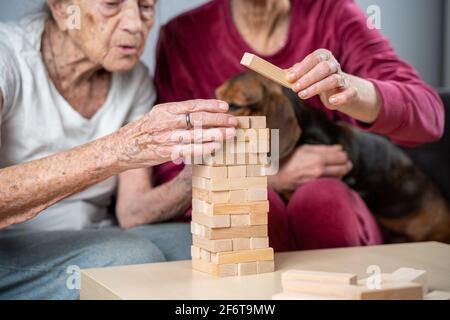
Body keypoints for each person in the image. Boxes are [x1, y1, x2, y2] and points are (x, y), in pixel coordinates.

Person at [151, 0, 445, 251]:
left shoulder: (335, 14)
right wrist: (271, 177)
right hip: (243, 210)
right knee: (253, 205)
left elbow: (430, 117)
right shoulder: (181, 35)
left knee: (321, 198)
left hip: (348, 208)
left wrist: (349, 89)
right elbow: (171, 171)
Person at [0, 0, 237, 299]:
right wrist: (122, 148)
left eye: (146, 7)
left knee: (199, 246)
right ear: (62, 8)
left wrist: (197, 175)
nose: (135, 24)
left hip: (92, 234)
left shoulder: (134, 79)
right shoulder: (6, 56)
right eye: (112, 4)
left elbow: (132, 211)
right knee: (128, 260)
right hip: (10, 247)